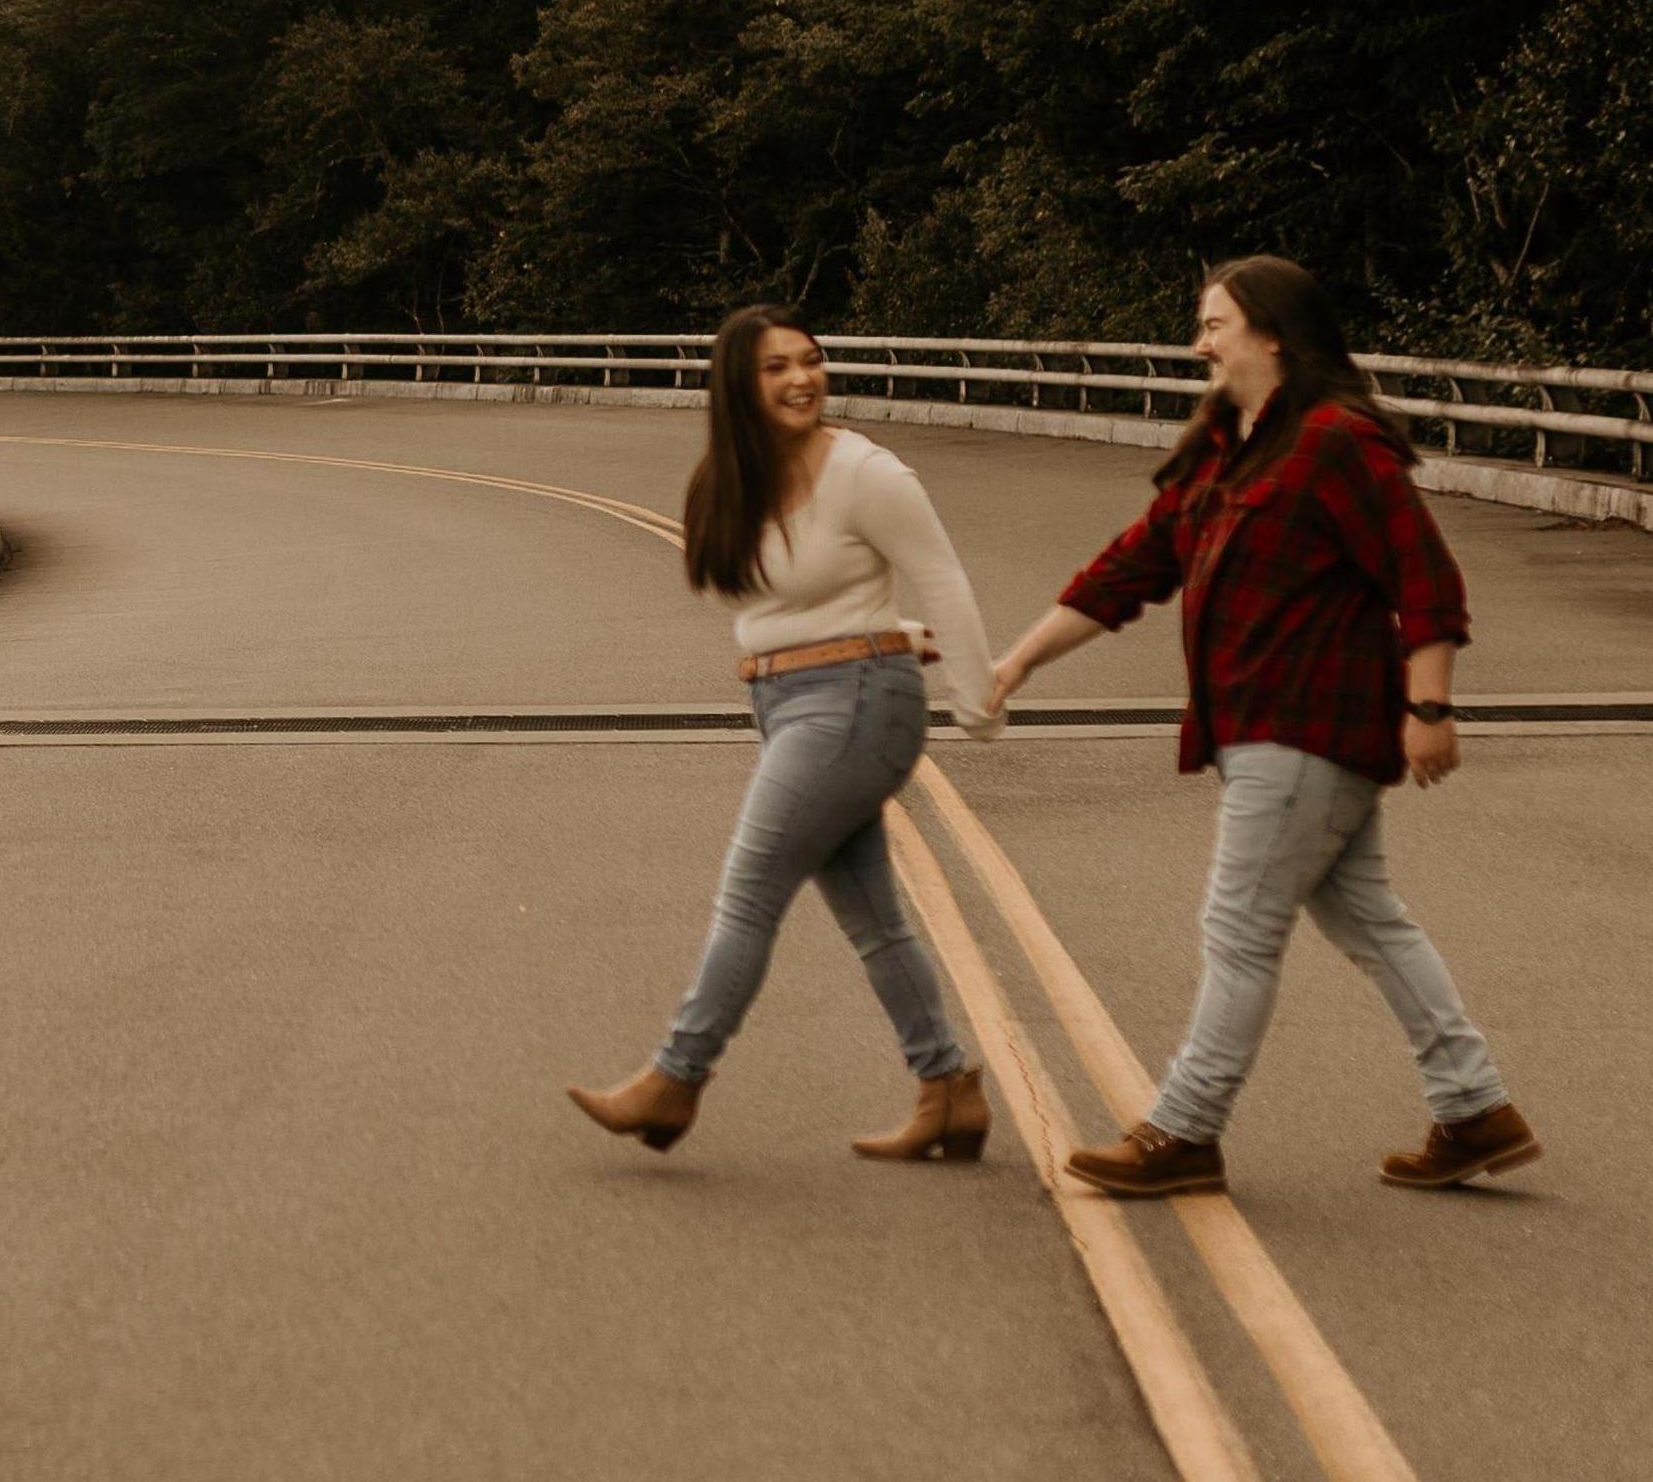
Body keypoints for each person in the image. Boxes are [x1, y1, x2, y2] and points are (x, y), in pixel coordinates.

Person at [988, 256, 1538, 1198]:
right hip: (1260, 731)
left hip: (1305, 728)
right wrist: (1016, 664)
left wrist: (1431, 708)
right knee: (1369, 919)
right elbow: (1128, 568)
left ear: (1274, 334)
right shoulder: (1224, 449)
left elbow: (1425, 577)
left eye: (1215, 326)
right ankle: (1474, 1108)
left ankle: (1184, 1130)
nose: (1199, 344)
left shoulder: (1334, 441)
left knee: (1238, 929)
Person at [570, 304, 1004, 1163]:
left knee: (750, 891)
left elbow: (942, 576)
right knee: (873, 918)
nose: (802, 379)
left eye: (810, 360)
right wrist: (887, 631)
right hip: (788, 701)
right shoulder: (727, 484)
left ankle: (675, 1079)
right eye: (777, 368)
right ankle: (948, 1089)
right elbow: (783, 607)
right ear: (739, 384)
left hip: (855, 704)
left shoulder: (865, 472)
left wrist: (976, 702)